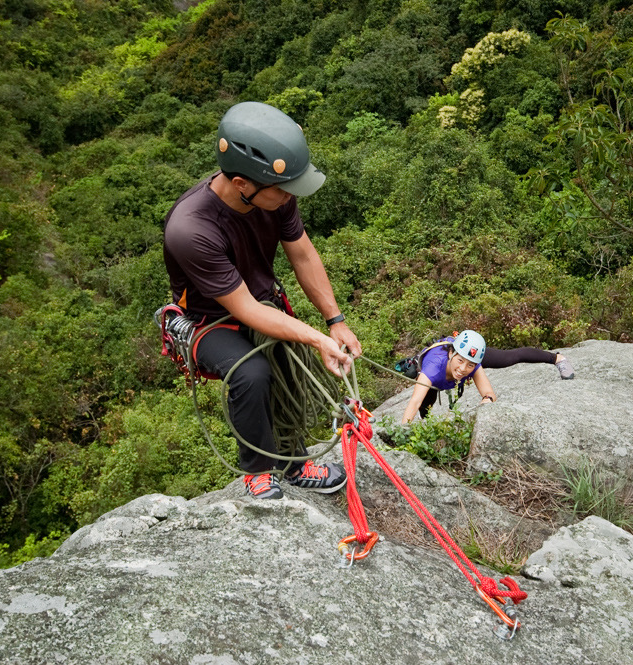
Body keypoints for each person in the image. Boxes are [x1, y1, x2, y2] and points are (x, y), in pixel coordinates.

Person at [162, 101, 361, 499]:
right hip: (208, 320)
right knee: (251, 373)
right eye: (282, 190)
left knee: (285, 359)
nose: (290, 197)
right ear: (242, 184)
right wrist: (317, 338)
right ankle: (259, 468)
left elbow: (301, 252)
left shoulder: (273, 193)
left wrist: (334, 319)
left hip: (262, 300)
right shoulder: (191, 229)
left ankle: (293, 462)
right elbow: (245, 311)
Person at [400, 330, 574, 424]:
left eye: (470, 365)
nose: (463, 369)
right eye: (460, 362)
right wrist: (403, 432)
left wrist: (488, 400)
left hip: (466, 349)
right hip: (441, 370)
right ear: (451, 354)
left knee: (510, 358)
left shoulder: (471, 363)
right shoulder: (432, 368)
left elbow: (489, 393)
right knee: (424, 409)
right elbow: (413, 402)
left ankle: (557, 358)